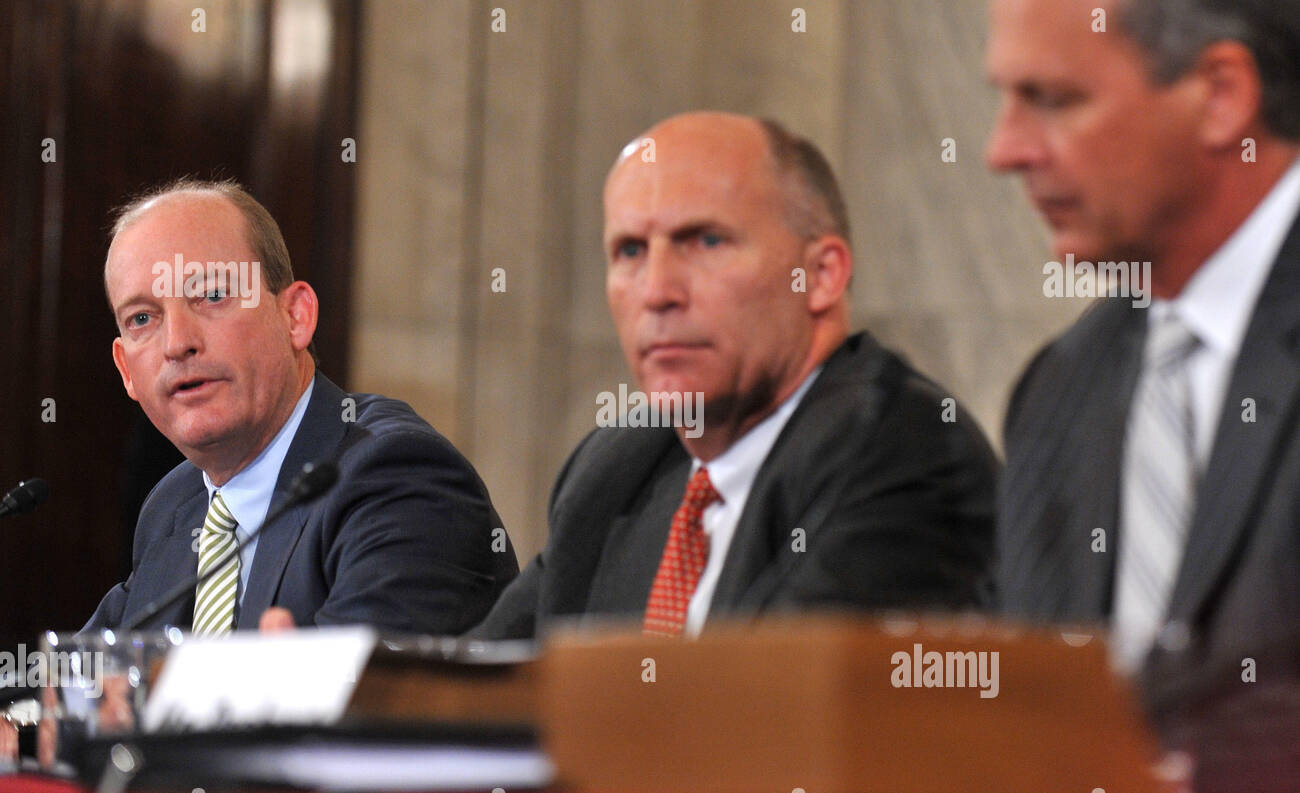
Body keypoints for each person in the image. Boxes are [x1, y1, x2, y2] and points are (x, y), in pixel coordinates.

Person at [473, 112, 999, 640]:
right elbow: (476, 691)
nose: (657, 291)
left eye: (705, 242)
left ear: (820, 275)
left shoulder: (901, 453)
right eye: (630, 250)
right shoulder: (617, 468)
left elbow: (776, 712)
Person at [987, 0, 1300, 723]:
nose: (1003, 150)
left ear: (1220, 95)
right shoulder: (1060, 388)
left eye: (1053, 100)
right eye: (1004, 99)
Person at [85, 179, 518, 635]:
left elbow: (364, 695)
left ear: (296, 316)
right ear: (125, 370)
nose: (177, 343)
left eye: (212, 295)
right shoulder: (175, 508)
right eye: (142, 319)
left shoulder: (398, 478)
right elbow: (76, 682)